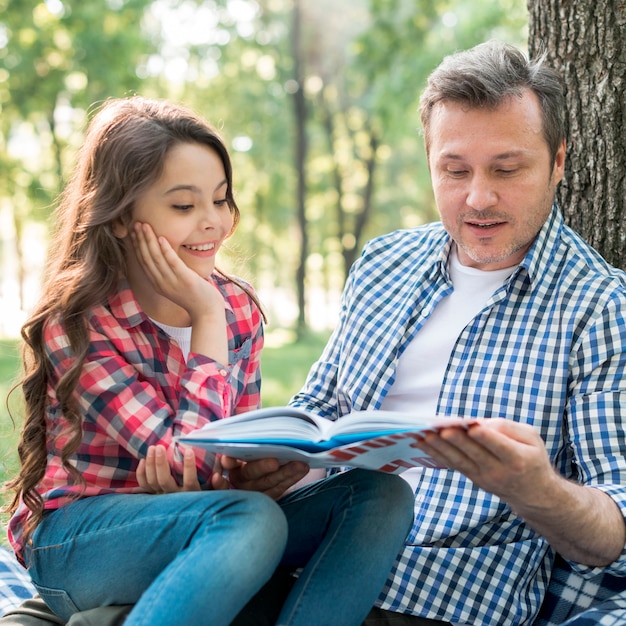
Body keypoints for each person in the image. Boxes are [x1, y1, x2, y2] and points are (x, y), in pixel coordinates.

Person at [4, 95, 414, 626]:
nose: (213, 223)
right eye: (183, 206)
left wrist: (257, 471)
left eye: (220, 200)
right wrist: (205, 316)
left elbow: (216, 459)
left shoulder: (239, 307)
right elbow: (189, 462)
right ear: (125, 217)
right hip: (79, 544)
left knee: (380, 496)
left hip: (209, 521)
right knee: (247, 521)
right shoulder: (79, 322)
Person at [276, 40, 626, 624]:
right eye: (455, 171)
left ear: (558, 162)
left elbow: (612, 534)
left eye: (507, 170)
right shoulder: (383, 262)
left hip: (436, 598)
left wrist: (534, 487)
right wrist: (270, 463)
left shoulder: (599, 306)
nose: (479, 198)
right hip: (307, 560)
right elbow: (318, 413)